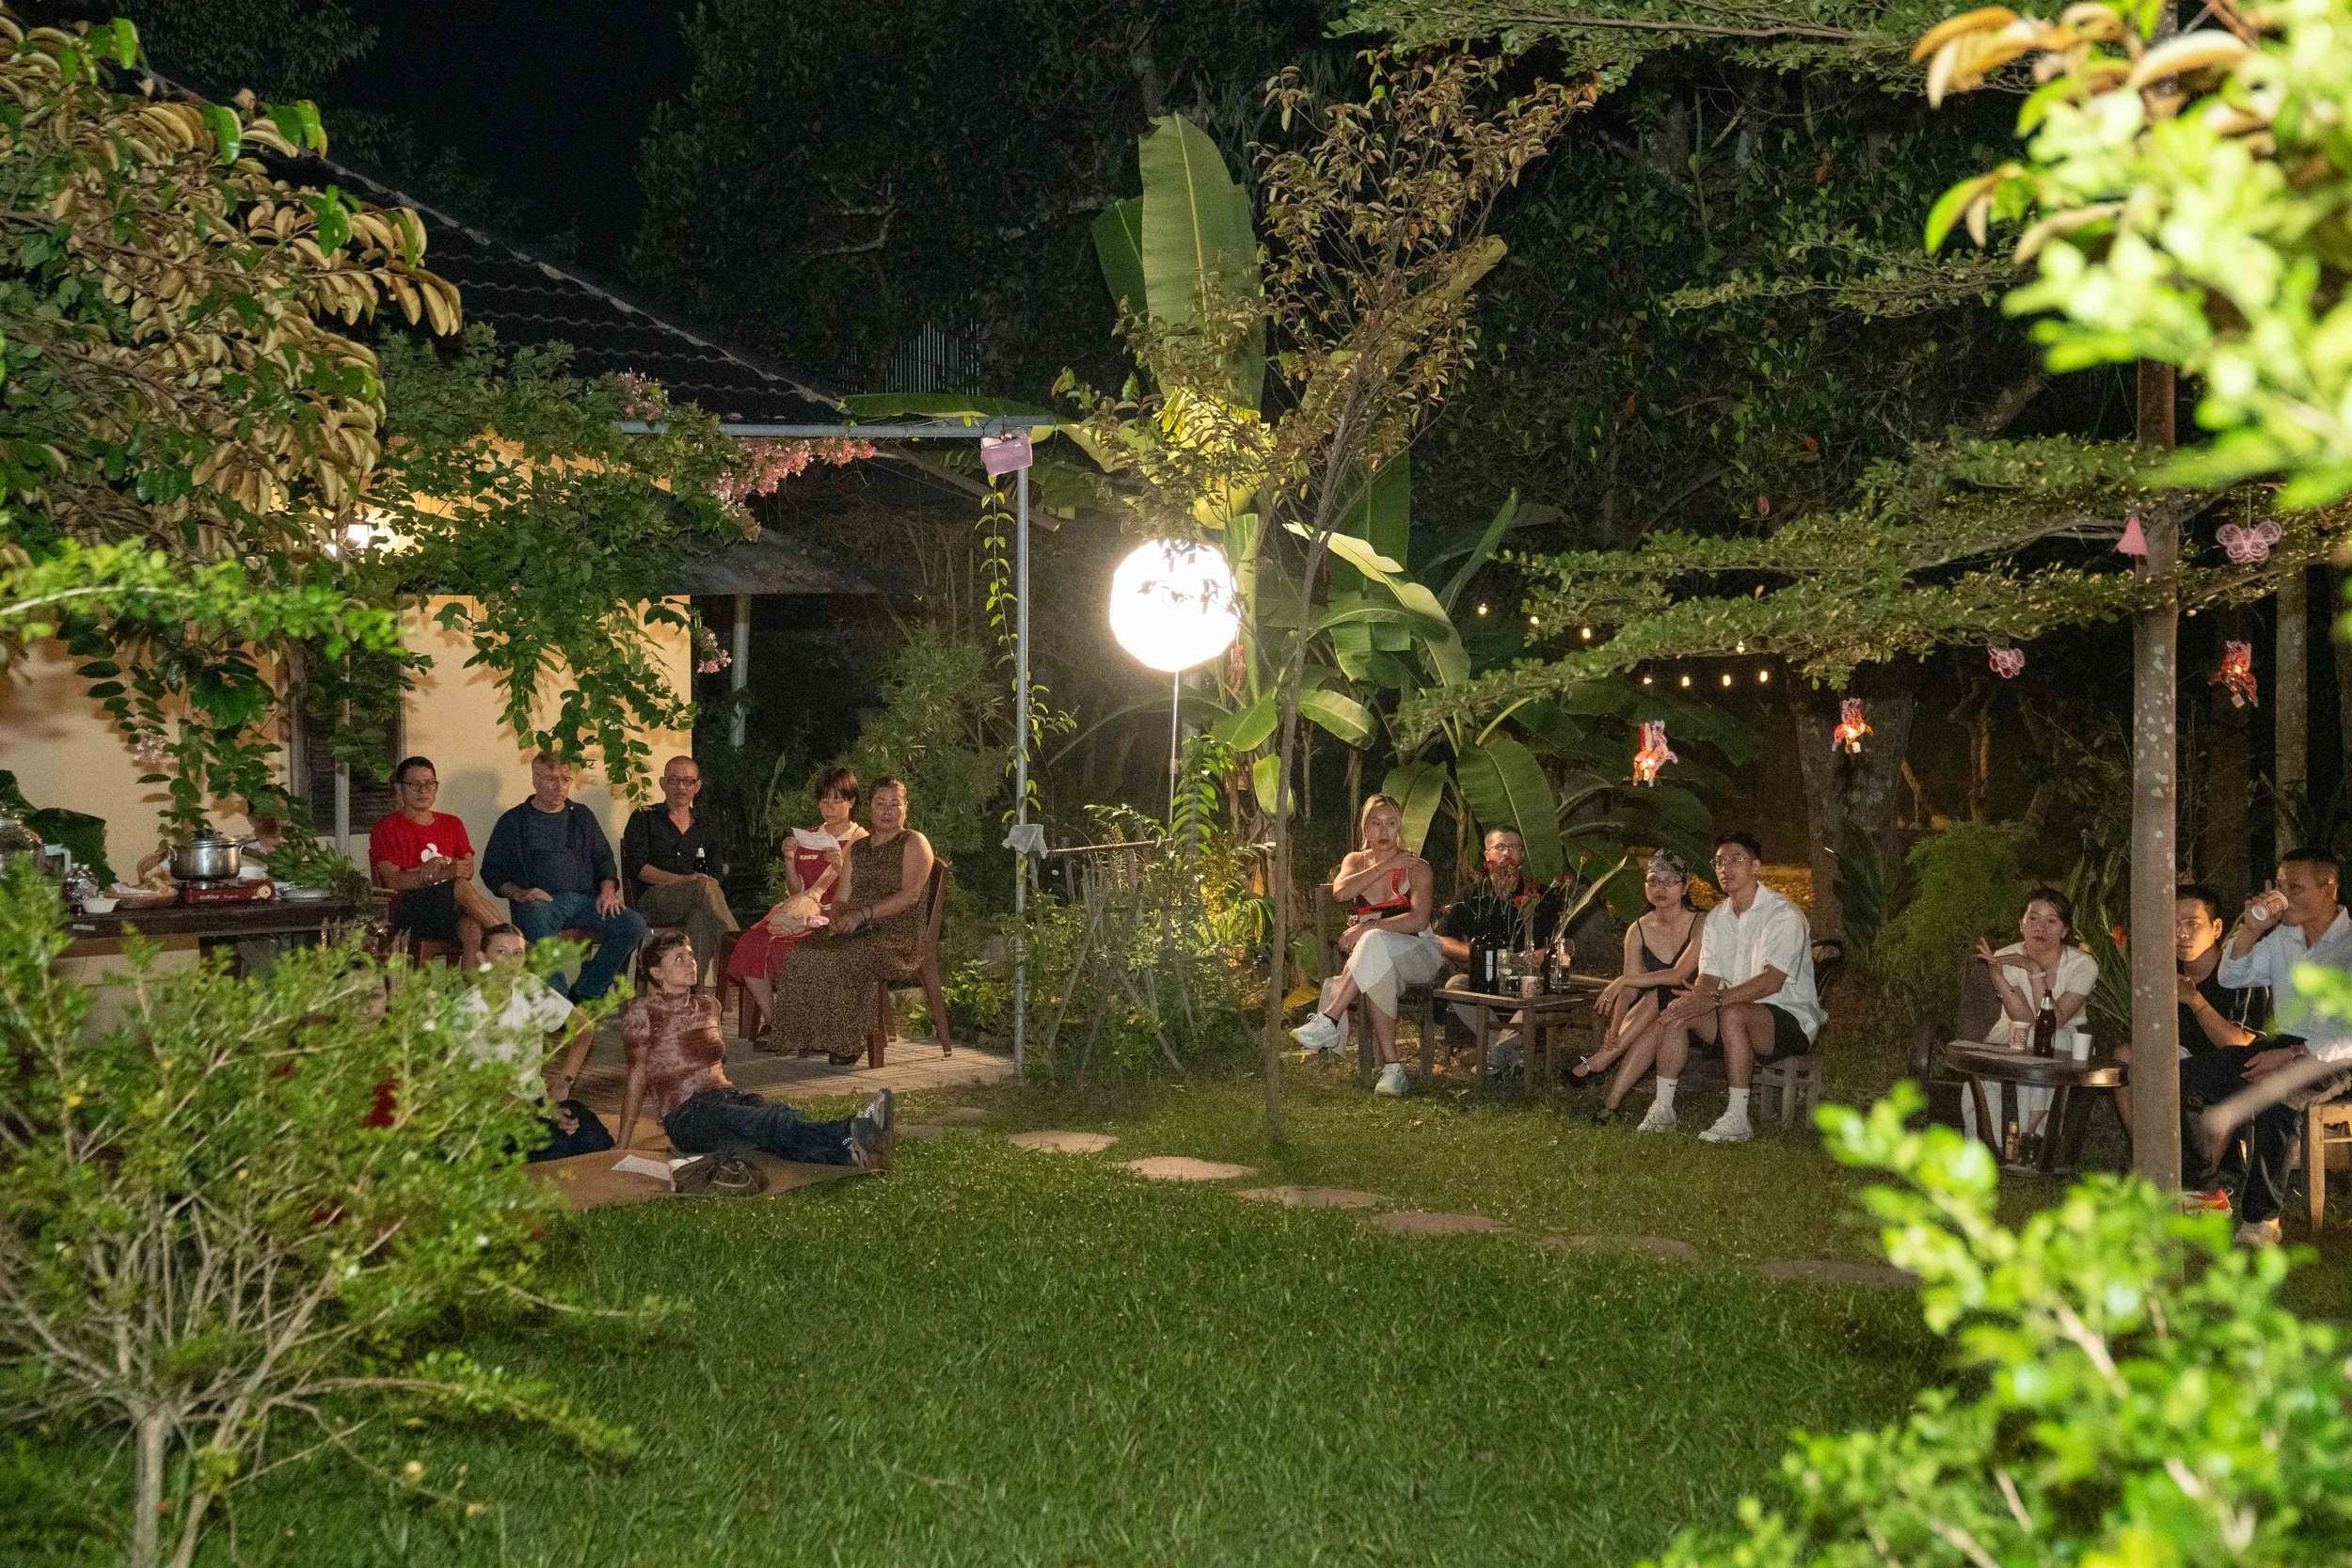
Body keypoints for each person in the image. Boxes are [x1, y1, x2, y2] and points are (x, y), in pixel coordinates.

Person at [2178, 848, 2352, 1243]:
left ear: (2329, 889)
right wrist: (2253, 930)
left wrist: (2292, 1055)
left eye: (2296, 887)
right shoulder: (2284, 938)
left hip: (2338, 1054)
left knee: (2277, 1097)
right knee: (2185, 1079)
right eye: (2280, 885)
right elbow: (2231, 978)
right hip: (2284, 1046)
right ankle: (2202, 1197)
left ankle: (2261, 1220)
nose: (2284, 895)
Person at [617, 929, 893, 1169]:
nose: (691, 963)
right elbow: (637, 1075)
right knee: (767, 1121)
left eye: (691, 955)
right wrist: (622, 1144)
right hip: (687, 1115)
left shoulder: (709, 1006)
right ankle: (854, 1129)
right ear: (657, 973)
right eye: (679, 959)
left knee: (775, 1123)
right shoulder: (644, 1012)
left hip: (725, 1096)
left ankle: (850, 1152)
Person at [1636, 831, 1823, 1143]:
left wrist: (1714, 999)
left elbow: (1771, 981)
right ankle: (1663, 1109)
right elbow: (1708, 976)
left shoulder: (1783, 914)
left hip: (1788, 1019)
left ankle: (1737, 1117)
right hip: (1730, 1010)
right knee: (1678, 1009)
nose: (1725, 868)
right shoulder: (1718, 918)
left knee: (1734, 1011)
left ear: (1756, 867)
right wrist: (1697, 998)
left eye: (1736, 860)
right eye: (1719, 862)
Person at [764, 777, 936, 1063]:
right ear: (869, 807)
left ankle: (847, 1043)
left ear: (906, 808)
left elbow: (910, 895)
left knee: (846, 956)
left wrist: (863, 915)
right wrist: (838, 918)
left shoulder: (914, 842)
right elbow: (842, 897)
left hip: (896, 934)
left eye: (895, 804)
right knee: (803, 952)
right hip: (857, 927)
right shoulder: (858, 848)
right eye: (881, 803)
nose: (888, 810)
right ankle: (812, 1036)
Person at [1292, 796, 1439, 1097]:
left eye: (1390, 823)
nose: (1383, 831)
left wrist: (1369, 926)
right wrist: (1386, 866)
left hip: (1418, 954)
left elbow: (1419, 921)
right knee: (1374, 965)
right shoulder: (1354, 862)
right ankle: (1394, 1070)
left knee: (1371, 940)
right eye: (1375, 823)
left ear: (1399, 827)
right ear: (1365, 829)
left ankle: (1329, 1019)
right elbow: (1341, 891)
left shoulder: (1417, 867)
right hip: (1378, 959)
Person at [479, 752, 647, 1003]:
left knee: (633, 923)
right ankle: (558, 1003)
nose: (560, 787)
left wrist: (608, 891)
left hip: (587, 900)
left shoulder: (582, 816)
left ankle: (586, 991)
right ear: (535, 779)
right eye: (551, 779)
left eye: (566, 779)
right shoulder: (514, 821)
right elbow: (491, 871)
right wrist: (520, 893)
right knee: (536, 916)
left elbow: (604, 859)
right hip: (543, 904)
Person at [726, 767, 867, 1032]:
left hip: (834, 917)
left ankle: (809, 1024)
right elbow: (796, 892)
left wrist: (840, 868)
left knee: (796, 949)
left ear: (852, 802)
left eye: (838, 800)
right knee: (751, 942)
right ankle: (775, 1021)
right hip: (801, 914)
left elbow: (864, 892)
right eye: (824, 800)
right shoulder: (810, 836)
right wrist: (789, 860)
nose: (830, 807)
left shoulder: (861, 841)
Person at [1965, 887, 2101, 1149]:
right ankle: (1992, 1143)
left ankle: (2025, 1135)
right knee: (2013, 1052)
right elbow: (2024, 1021)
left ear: (2064, 931)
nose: (2041, 927)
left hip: (2067, 1036)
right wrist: (1997, 977)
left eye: (2052, 921)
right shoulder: (2006, 956)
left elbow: (2054, 1021)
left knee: (2053, 1041)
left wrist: (2034, 972)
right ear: (2021, 924)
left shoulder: (2082, 965)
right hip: (2012, 1030)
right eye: (2033, 918)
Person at [458, 923, 607, 1161]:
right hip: (489, 1111)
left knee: (589, 1133)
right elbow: (484, 1090)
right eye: (501, 952)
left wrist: (564, 1081)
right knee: (547, 1141)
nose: (510, 961)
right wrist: (545, 1112)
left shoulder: (530, 987)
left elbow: (584, 1028)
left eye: (517, 953)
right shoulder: (465, 1011)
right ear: (481, 957)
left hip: (536, 1102)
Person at [1434, 825, 1565, 1072]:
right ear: (1487, 856)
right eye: (1500, 847)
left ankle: (1495, 1056)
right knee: (1456, 986)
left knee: (1542, 991)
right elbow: (1441, 938)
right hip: (1485, 975)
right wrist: (1476, 956)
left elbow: (1562, 942)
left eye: (1514, 847)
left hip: (1528, 977)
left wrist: (1542, 955)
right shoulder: (1472, 894)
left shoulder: (1541, 896)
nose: (1507, 854)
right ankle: (1508, 1053)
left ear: (1522, 855)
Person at [1585, 850, 1703, 1120]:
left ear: (1685, 887)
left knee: (1661, 992)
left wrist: (1624, 980)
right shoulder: (1638, 929)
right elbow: (1628, 991)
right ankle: (1611, 1106)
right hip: (1665, 1015)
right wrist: (1613, 1029)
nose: (1660, 888)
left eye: (1670, 881)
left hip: (1702, 1010)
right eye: (1653, 881)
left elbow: (1678, 975)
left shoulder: (1701, 922)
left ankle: (1604, 1060)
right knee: (1657, 1007)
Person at [370, 755, 505, 968]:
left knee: (473, 930)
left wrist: (441, 862)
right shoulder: (387, 827)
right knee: (459, 884)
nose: (423, 790)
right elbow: (393, 880)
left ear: (436, 787)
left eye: (429, 784)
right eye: (414, 784)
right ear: (399, 789)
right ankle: (511, 941)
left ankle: (472, 998)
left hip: (449, 910)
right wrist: (442, 873)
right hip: (410, 913)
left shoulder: (452, 823)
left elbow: (467, 868)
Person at [621, 753, 739, 985]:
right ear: (663, 783)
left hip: (697, 901)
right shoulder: (644, 816)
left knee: (700, 917)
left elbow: (715, 873)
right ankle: (735, 944)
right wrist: (683, 881)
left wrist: (700, 884)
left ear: (697, 786)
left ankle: (697, 992)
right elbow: (638, 868)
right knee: (703, 887)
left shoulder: (707, 824)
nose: (681, 787)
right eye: (674, 780)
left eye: (687, 781)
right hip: (655, 900)